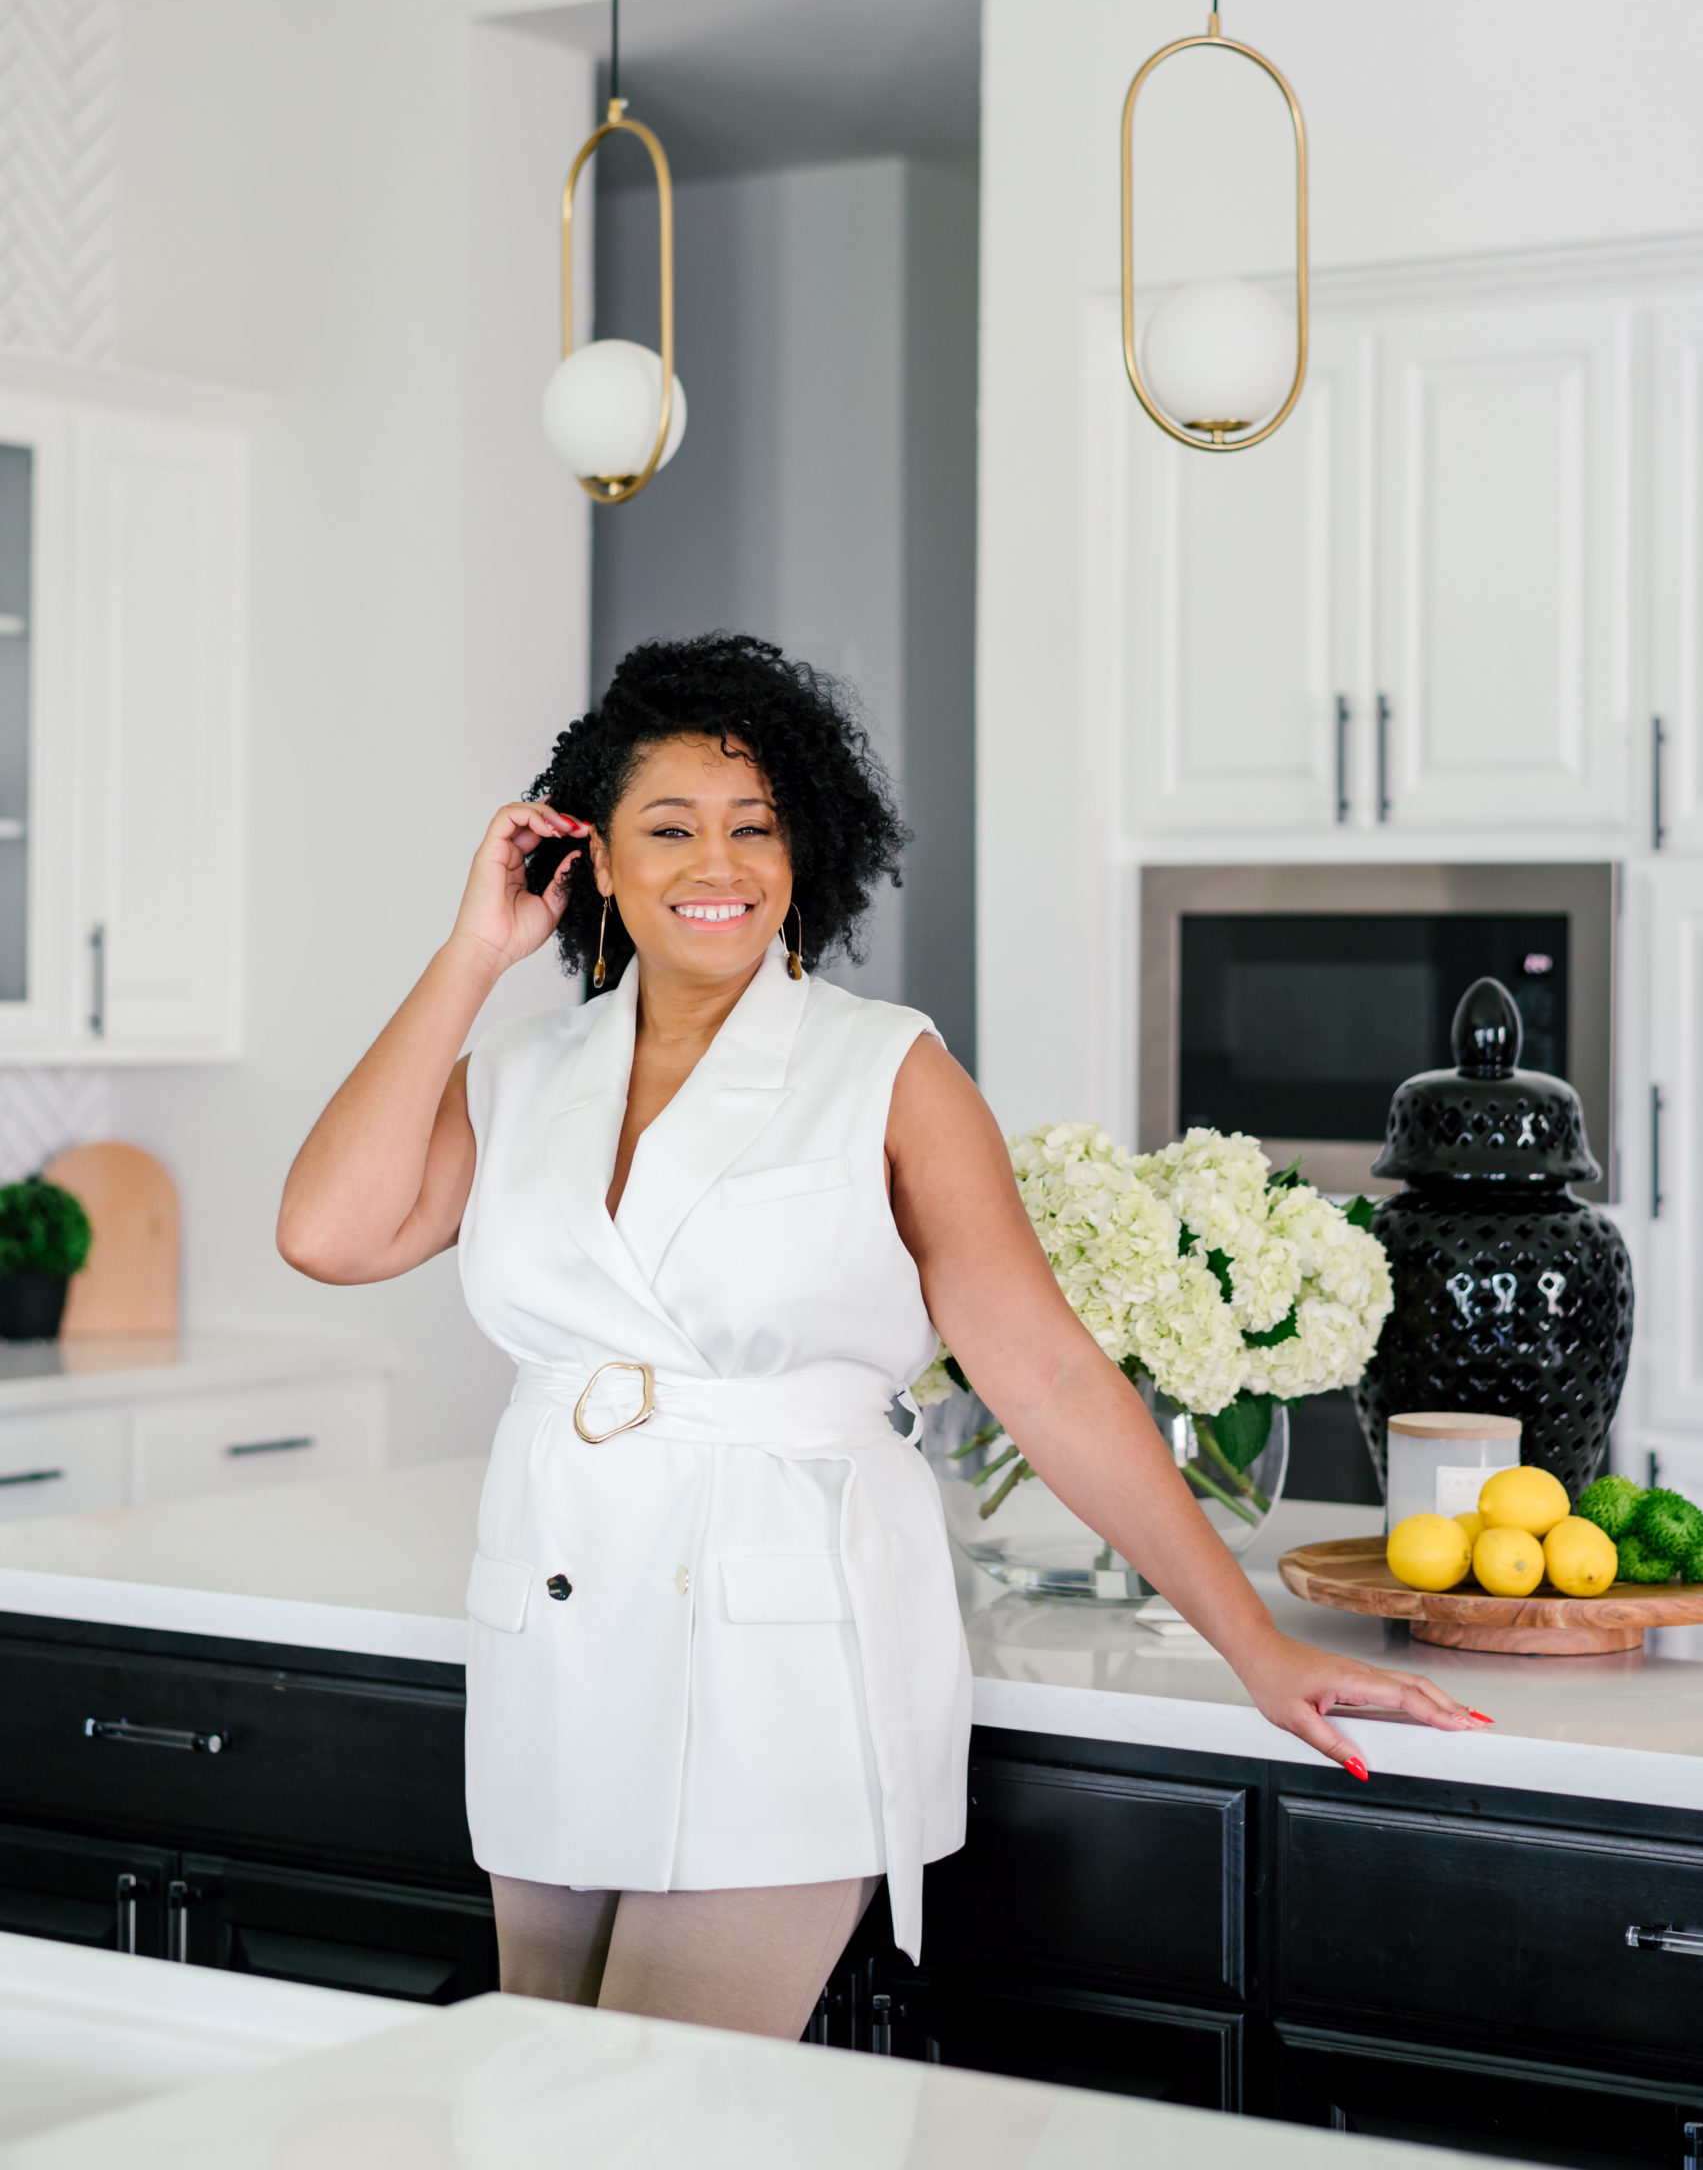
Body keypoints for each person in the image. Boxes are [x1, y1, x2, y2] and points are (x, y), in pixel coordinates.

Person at [278, 631, 1482, 2042]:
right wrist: (474, 953)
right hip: (556, 1636)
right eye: (667, 828)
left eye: (756, 827)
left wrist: (1252, 1647)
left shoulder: (886, 1068)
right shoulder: (526, 1073)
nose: (715, 865)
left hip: (778, 1658)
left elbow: (1044, 1369)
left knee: (663, 2118)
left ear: (805, 854)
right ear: (593, 859)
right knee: (546, 2084)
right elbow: (330, 1232)